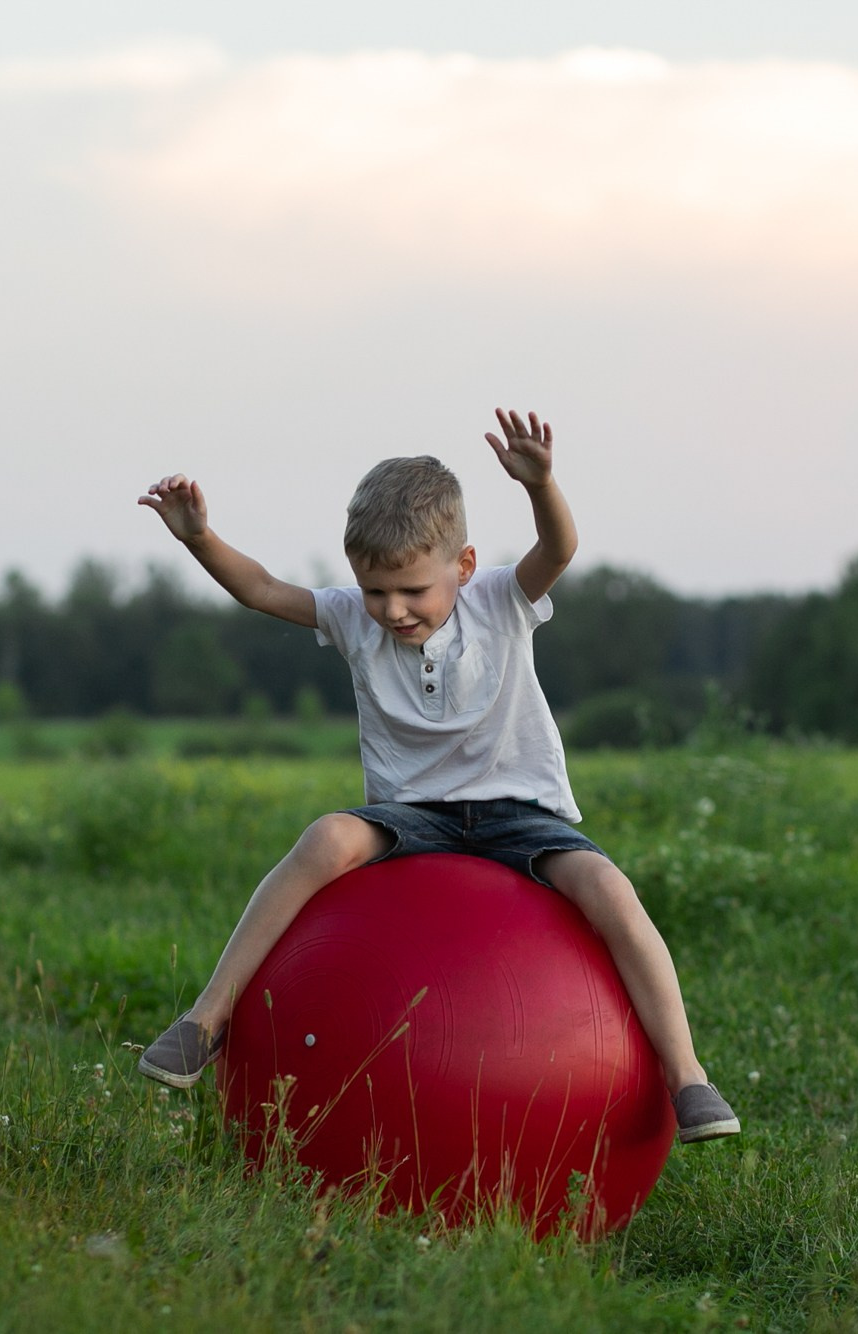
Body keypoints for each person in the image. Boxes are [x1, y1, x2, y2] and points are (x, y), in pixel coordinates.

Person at [133, 408, 739, 1143]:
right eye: (375, 591)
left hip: (520, 812)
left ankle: (687, 1076)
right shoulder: (354, 618)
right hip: (411, 816)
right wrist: (199, 536)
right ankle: (207, 1020)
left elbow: (560, 547)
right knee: (326, 837)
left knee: (610, 888)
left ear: (463, 566)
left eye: (412, 591)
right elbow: (260, 590)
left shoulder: (501, 602)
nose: (392, 611)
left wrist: (542, 484)